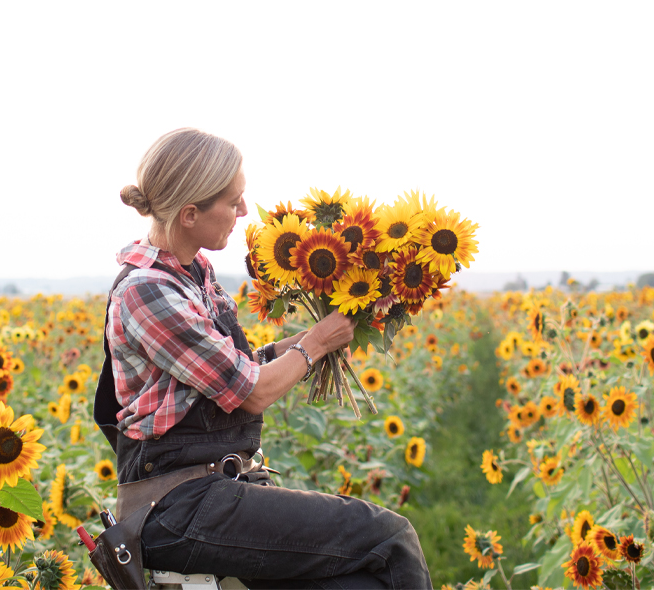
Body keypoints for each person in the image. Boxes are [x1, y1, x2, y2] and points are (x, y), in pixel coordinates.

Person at [100, 128, 431, 589]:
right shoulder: (148, 291)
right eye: (232, 201)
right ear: (191, 213)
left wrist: (323, 335)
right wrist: (315, 343)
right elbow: (252, 391)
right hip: (176, 506)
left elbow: (230, 369)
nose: (243, 212)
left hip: (215, 488)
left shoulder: (192, 274)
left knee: (358, 583)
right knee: (389, 536)